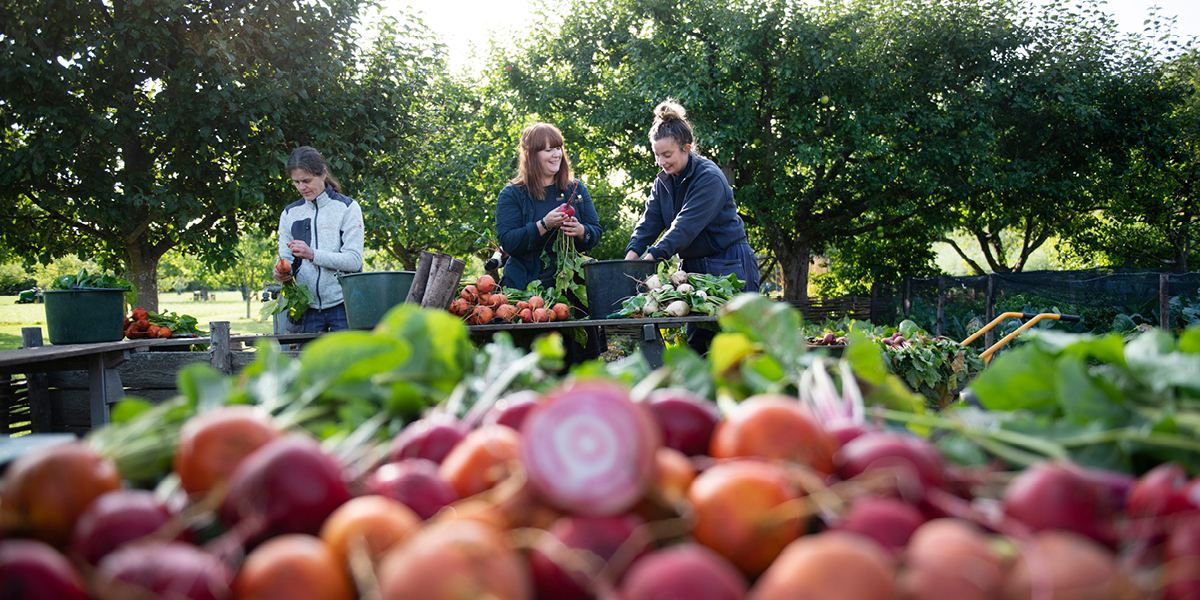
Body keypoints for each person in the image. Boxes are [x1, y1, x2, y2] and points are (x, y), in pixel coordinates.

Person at [624, 98, 760, 355]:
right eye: (656, 155)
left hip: (728, 263)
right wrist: (628, 261)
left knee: (740, 345)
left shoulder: (709, 178)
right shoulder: (663, 180)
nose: (661, 161)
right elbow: (649, 223)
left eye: (667, 155)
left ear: (687, 148)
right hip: (694, 271)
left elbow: (684, 227)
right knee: (699, 347)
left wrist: (652, 256)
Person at [496, 122, 605, 364]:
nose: (556, 154)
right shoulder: (512, 194)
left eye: (558, 148)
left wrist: (580, 231)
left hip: (570, 295)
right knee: (534, 366)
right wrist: (543, 224)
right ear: (531, 155)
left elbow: (595, 232)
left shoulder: (574, 189)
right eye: (548, 150)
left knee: (577, 364)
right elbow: (508, 242)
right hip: (527, 295)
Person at [272, 146, 364, 333]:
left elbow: (354, 261)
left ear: (323, 174)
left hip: (344, 304)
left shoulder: (347, 208)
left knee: (348, 362)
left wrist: (312, 254)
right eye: (296, 182)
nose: (301, 187)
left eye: (306, 180)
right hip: (306, 306)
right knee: (306, 362)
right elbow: (285, 256)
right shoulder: (290, 213)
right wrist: (280, 269)